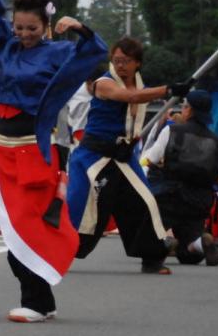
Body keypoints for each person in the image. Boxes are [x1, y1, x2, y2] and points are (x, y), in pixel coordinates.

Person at [0, 0, 107, 323]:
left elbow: (95, 52)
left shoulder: (59, 51)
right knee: (13, 229)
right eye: (19, 27)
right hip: (4, 147)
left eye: (32, 28)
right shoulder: (9, 46)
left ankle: (38, 301)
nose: (24, 35)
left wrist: (81, 28)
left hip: (35, 147)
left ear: (47, 24)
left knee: (29, 226)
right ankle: (42, 299)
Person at [67, 38, 186, 274]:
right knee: (85, 208)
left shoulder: (139, 86)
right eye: (117, 60)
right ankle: (59, 250)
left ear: (137, 64)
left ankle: (151, 257)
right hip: (95, 156)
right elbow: (129, 97)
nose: (120, 65)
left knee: (144, 202)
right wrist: (169, 89)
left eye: (126, 61)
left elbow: (136, 99)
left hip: (123, 156)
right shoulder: (104, 83)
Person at [144, 91, 218, 266]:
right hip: (199, 203)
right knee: (189, 256)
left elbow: (149, 159)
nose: (182, 109)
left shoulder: (172, 131)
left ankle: (164, 243)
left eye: (184, 106)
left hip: (169, 198)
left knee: (146, 239)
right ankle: (199, 242)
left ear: (190, 110)